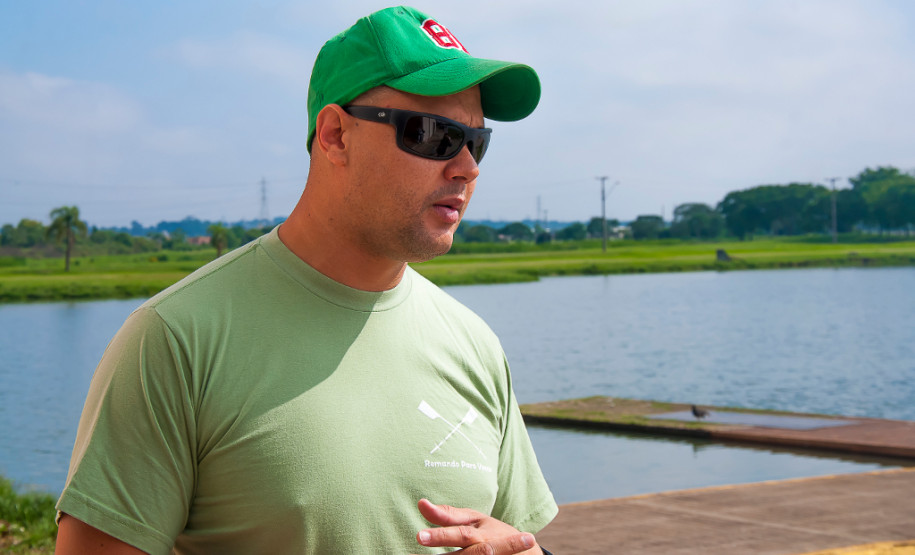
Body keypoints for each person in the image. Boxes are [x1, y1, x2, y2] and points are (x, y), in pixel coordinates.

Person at [55, 6, 557, 554]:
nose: (467, 167)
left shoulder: (475, 345)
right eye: (435, 135)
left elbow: (517, 539)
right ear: (336, 135)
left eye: (477, 142)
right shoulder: (178, 339)